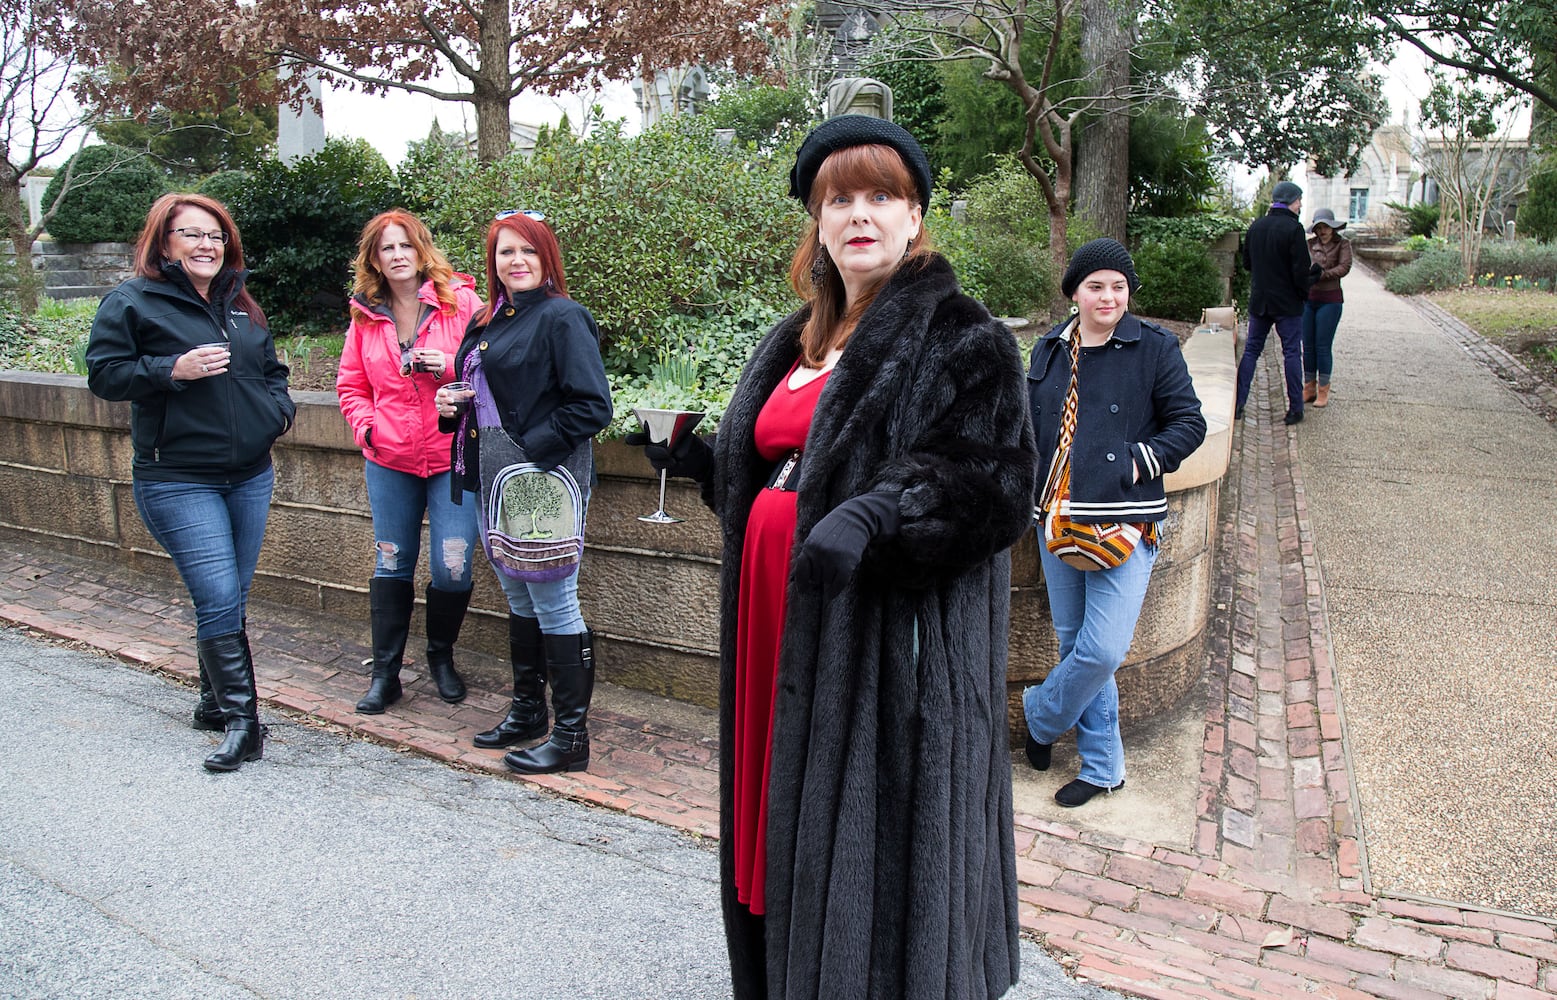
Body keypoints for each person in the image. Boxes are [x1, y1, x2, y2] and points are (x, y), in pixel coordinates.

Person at [634, 116, 1037, 1000]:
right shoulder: (796, 339)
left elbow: (996, 483)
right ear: (817, 223)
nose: (860, 214)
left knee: (870, 836)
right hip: (777, 618)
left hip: (881, 643)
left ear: (914, 215)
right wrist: (703, 465)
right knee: (781, 811)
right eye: (839, 199)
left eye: (880, 196)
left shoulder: (961, 336)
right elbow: (781, 477)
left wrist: (884, 513)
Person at [86, 193, 295, 773]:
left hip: (249, 474)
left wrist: (277, 414)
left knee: (232, 594)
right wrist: (167, 370)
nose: (207, 245)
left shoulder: (239, 303)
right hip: (177, 478)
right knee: (219, 596)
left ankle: (211, 699)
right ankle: (243, 723)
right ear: (165, 242)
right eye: (192, 235)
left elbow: (271, 371)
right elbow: (104, 375)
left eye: (216, 236)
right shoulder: (133, 301)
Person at [1022, 239, 1206, 807]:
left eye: (1119, 286)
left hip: (1122, 520)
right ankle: (1103, 767)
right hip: (1055, 517)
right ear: (1074, 292)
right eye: (1096, 286)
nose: (1108, 296)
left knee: (1101, 651)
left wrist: (1134, 460)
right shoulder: (1050, 347)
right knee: (1075, 643)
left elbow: (1188, 424)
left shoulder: (1153, 348)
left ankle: (1040, 714)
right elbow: (1029, 427)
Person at [434, 210, 612, 775]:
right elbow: (476, 393)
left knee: (555, 599)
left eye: (528, 251)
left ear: (546, 257)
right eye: (506, 252)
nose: (516, 261)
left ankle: (572, 737)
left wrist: (529, 447)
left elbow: (592, 407)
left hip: (540, 480)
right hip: (492, 479)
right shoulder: (488, 319)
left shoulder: (563, 318)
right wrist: (449, 408)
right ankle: (528, 711)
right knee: (518, 597)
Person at [337, 210, 485, 714]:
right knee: (392, 561)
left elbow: (494, 367)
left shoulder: (460, 303)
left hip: (452, 461)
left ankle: (441, 658)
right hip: (390, 460)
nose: (397, 256)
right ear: (374, 259)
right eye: (387, 249)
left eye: (405, 246)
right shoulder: (365, 313)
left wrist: (445, 366)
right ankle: (386, 674)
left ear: (422, 250)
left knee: (452, 565)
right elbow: (351, 386)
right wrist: (369, 428)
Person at [1236, 180, 1319, 425]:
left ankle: (1239, 404)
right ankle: (1295, 409)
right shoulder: (1294, 230)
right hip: (1288, 304)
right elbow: (1300, 273)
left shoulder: (1256, 226)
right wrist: (1311, 283)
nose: (1300, 205)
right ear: (1292, 201)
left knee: (1251, 351)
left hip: (1260, 301)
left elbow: (1247, 264)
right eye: (1299, 201)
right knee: (1292, 353)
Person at [1301, 207, 1352, 408]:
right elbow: (1301, 265)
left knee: (1323, 346)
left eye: (1325, 227)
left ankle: (1323, 389)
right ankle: (1309, 386)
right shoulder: (1309, 245)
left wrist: (1322, 274)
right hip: (1309, 298)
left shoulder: (1343, 244)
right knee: (1308, 346)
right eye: (1318, 227)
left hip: (1330, 299)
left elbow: (1344, 267)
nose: (1322, 231)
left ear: (1332, 227)